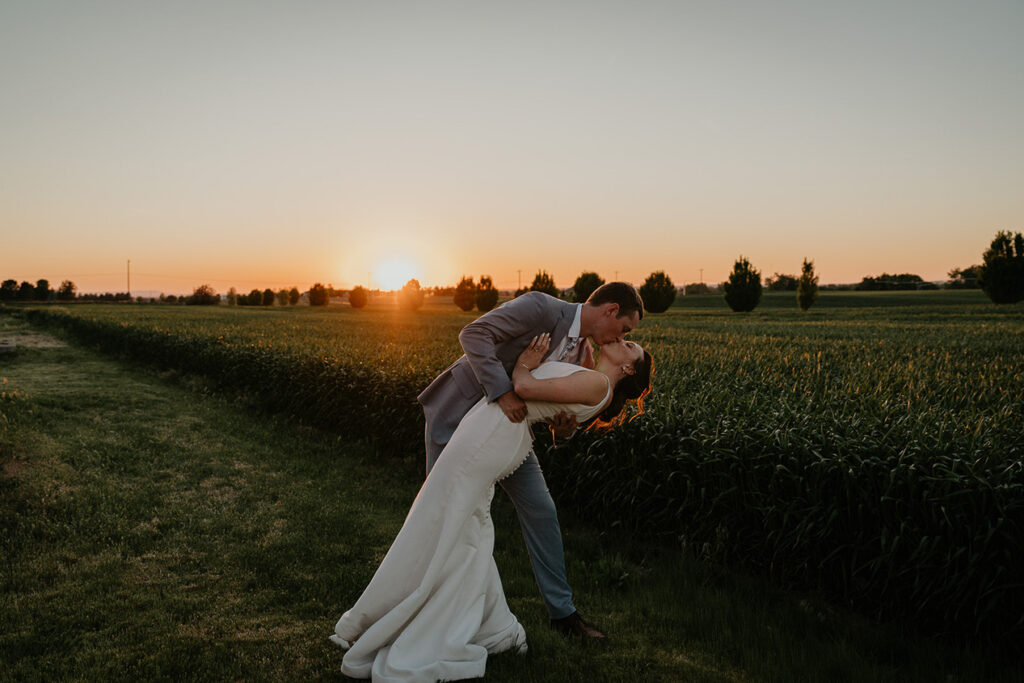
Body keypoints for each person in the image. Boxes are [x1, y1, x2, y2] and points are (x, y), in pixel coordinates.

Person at [330, 331, 653, 681]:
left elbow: (526, 388)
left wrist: (527, 364)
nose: (623, 337)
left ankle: (422, 616)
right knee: (467, 525)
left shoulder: (597, 384)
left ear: (628, 368)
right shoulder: (585, 363)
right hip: (495, 427)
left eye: (630, 345)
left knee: (450, 518)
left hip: (496, 433)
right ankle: (481, 619)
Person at [418, 282, 644, 639]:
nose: (622, 336)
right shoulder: (541, 308)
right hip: (458, 415)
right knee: (440, 511)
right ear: (611, 310)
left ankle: (563, 615)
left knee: (542, 510)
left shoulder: (586, 355)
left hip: (512, 435)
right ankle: (426, 601)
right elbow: (474, 334)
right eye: (625, 329)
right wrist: (503, 393)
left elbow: (558, 407)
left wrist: (563, 430)